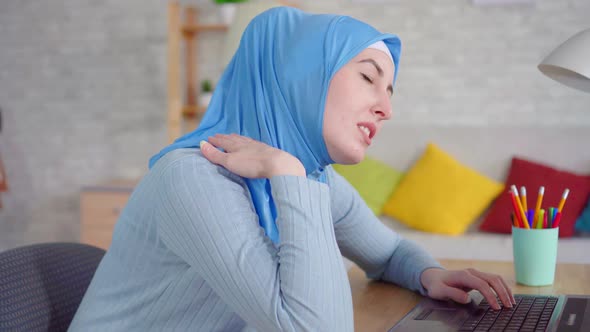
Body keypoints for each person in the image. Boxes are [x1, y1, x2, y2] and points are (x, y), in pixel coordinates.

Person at [69, 6, 515, 332]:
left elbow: (389, 253)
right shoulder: (194, 180)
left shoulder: (316, 179)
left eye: (390, 89)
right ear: (301, 75)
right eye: (368, 76)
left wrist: (429, 274)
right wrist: (287, 174)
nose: (386, 108)